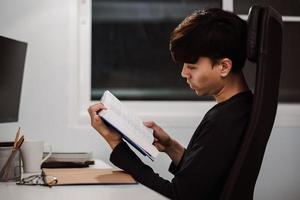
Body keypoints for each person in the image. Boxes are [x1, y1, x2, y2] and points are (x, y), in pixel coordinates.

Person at [88, 8, 252, 200]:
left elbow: (178, 195)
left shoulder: (222, 121)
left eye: (192, 67)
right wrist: (170, 147)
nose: (184, 74)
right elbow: (204, 181)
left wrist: (116, 143)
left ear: (224, 66)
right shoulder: (240, 108)